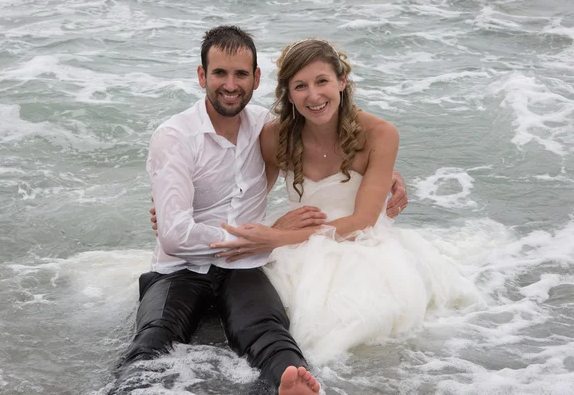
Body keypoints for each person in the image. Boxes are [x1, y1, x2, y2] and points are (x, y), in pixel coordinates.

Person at [120, 26, 407, 395]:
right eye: (220, 73)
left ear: (256, 79)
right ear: (201, 75)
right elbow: (175, 238)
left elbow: (335, 142)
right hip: (182, 268)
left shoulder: (264, 128)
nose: (230, 84)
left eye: (241, 74)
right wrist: (255, 238)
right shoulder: (175, 136)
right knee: (155, 336)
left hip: (244, 265)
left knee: (267, 330)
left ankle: (292, 383)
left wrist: (388, 174)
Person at [209, 39, 483, 363]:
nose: (313, 96)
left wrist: (278, 238)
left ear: (342, 81)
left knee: (338, 326)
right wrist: (181, 206)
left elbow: (362, 222)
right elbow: (246, 198)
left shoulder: (380, 133)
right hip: (298, 236)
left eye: (322, 81)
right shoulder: (274, 136)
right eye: (300, 86)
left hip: (362, 245)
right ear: (288, 93)